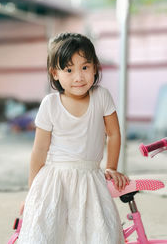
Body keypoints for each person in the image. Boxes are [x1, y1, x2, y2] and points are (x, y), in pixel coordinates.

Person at [18, 32, 129, 244]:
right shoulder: (50, 104)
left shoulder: (101, 96)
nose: (78, 77)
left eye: (85, 67)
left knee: (96, 233)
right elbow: (39, 151)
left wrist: (112, 167)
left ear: (95, 67)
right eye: (69, 70)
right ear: (55, 73)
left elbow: (114, 134)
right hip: (54, 180)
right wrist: (31, 194)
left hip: (90, 179)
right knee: (51, 233)